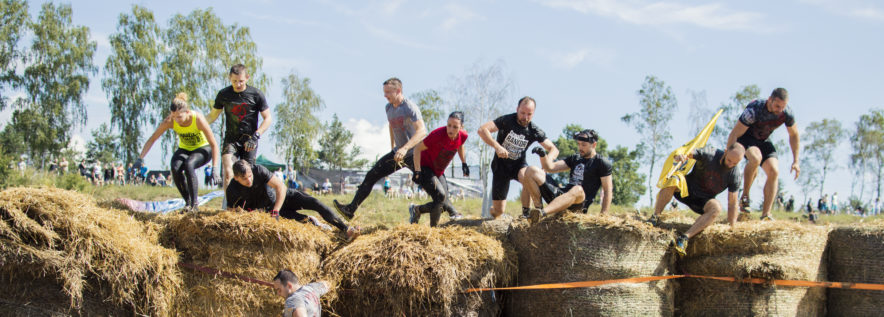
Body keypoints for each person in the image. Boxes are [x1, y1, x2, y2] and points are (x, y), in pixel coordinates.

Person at [334, 78, 427, 219]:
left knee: (430, 185)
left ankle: (449, 210)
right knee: (372, 175)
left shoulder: (409, 107)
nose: (385, 95)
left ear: (398, 91)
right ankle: (350, 209)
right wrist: (394, 147)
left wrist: (405, 148)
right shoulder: (388, 108)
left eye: (388, 92)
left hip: (414, 155)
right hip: (397, 154)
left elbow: (422, 131)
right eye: (384, 92)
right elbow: (391, 126)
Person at [646, 144, 745, 256]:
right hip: (686, 190)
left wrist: (732, 227)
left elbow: (732, 203)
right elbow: (689, 152)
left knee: (716, 208)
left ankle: (684, 238)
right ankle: (655, 217)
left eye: (735, 163)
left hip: (703, 201)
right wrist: (680, 156)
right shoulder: (711, 153)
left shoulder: (735, 174)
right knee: (674, 179)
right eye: (729, 160)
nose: (730, 164)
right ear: (726, 151)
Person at [227, 160, 359, 239]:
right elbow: (231, 213)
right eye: (244, 179)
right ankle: (316, 223)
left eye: (250, 176)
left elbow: (280, 186)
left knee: (315, 203)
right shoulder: (232, 190)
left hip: (284, 198)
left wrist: (276, 210)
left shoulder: (258, 170)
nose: (249, 180)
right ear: (236, 178)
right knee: (306, 222)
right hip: (269, 211)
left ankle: (345, 229)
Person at [138, 92, 221, 212]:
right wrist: (140, 158)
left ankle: (195, 205)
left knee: (189, 164)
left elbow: (214, 144)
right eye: (173, 116)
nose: (176, 120)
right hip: (185, 149)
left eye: (179, 117)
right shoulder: (170, 121)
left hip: (204, 148)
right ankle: (188, 202)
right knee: (175, 167)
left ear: (187, 112)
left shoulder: (197, 119)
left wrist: (214, 168)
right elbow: (153, 138)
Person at [726, 88, 800, 221]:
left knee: (774, 171)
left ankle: (766, 215)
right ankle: (745, 197)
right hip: (746, 140)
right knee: (755, 158)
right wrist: (728, 154)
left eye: (782, 107)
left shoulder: (786, 113)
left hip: (763, 140)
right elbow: (735, 133)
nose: (780, 110)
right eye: (777, 106)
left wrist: (796, 161)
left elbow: (794, 135)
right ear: (770, 99)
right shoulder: (754, 110)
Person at [478, 96, 558, 219]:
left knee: (527, 175)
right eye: (522, 113)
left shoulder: (534, 130)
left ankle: (527, 213)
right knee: (498, 211)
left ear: (533, 114)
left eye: (529, 114)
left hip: (518, 165)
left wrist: (547, 164)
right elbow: (482, 130)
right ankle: (492, 213)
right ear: (517, 109)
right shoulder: (507, 120)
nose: (525, 117)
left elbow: (554, 149)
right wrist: (497, 147)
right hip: (501, 167)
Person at [207, 64, 273, 209]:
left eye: (241, 81)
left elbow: (268, 118)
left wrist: (257, 135)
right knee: (229, 172)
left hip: (250, 140)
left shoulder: (256, 94)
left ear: (247, 78)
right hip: (231, 140)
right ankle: (229, 208)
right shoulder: (224, 94)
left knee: (248, 176)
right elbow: (212, 116)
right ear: (230, 78)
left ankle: (251, 208)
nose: (238, 84)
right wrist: (197, 123)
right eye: (234, 81)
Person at [525, 129, 612, 223]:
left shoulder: (602, 163)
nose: (580, 147)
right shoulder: (575, 158)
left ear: (594, 145)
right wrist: (543, 156)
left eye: (583, 145)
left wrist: (603, 216)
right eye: (578, 144)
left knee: (578, 189)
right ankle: (537, 211)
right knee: (531, 170)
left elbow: (607, 190)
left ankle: (543, 213)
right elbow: (550, 167)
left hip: (578, 205)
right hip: (561, 198)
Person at [408, 111, 469, 226]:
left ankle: (417, 210)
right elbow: (417, 149)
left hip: (438, 171)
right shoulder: (437, 135)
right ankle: (434, 230)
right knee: (440, 197)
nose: (450, 129)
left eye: (455, 127)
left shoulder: (463, 135)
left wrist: (464, 163)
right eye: (449, 125)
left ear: (461, 127)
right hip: (424, 167)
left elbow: (461, 145)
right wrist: (417, 171)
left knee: (442, 202)